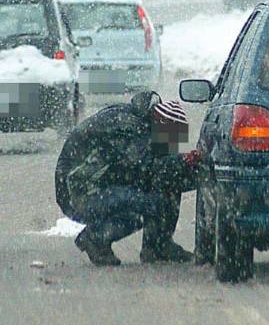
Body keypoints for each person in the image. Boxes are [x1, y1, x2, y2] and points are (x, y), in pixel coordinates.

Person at [54, 91, 203, 266]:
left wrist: (179, 166)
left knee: (167, 181)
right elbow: (148, 168)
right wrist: (183, 162)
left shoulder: (131, 119)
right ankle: (95, 238)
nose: (168, 146)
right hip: (79, 196)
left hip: (88, 187)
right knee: (148, 204)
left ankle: (159, 246)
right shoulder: (128, 127)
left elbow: (148, 170)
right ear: (158, 124)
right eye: (168, 140)